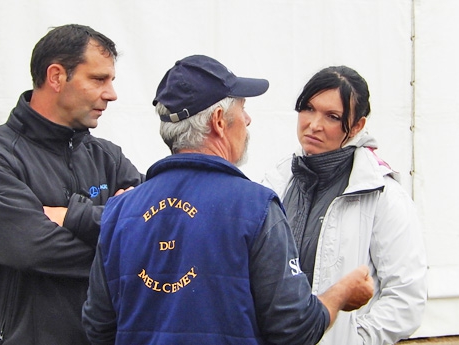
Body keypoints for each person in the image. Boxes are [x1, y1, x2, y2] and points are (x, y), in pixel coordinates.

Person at [82, 55, 374, 345]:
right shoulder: (256, 207)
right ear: (219, 122)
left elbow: (98, 327)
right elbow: (293, 329)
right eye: (243, 108)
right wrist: (340, 295)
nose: (248, 119)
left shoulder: (121, 211)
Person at [0, 24, 144, 345]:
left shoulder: (107, 157)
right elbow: (29, 251)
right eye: (99, 79)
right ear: (57, 76)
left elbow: (156, 229)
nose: (111, 94)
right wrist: (121, 236)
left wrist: (73, 216)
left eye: (111, 80)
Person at [262, 65, 427, 344]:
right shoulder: (276, 182)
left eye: (332, 116)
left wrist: (354, 338)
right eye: (308, 108)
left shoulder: (382, 195)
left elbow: (406, 297)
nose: (314, 124)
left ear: (358, 126)